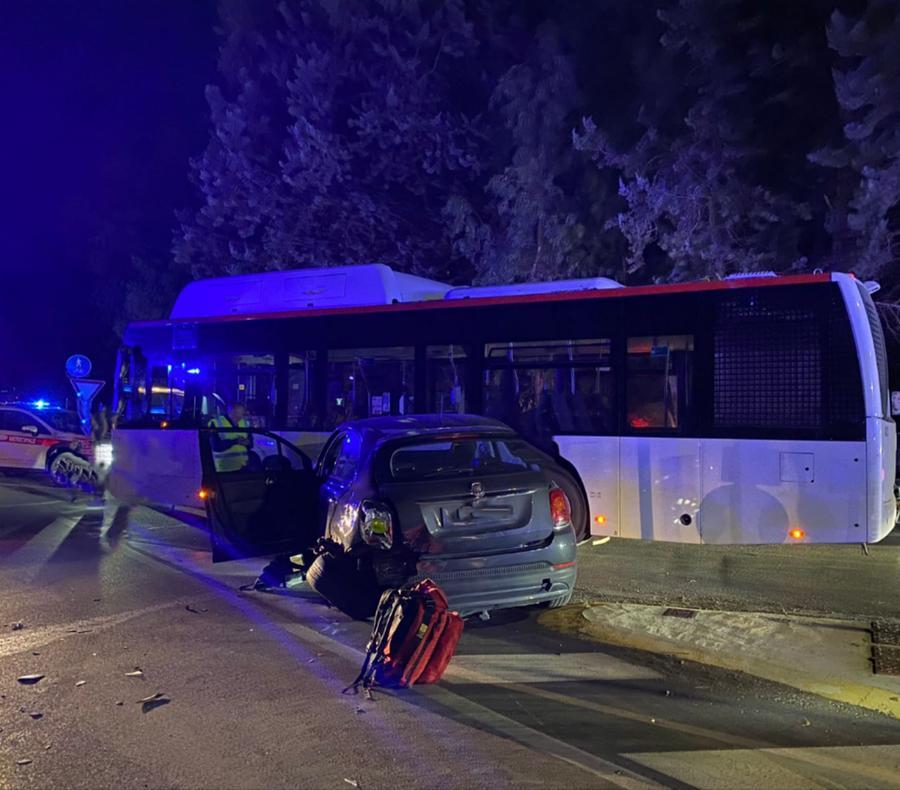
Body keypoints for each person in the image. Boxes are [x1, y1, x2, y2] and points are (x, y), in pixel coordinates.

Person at [208, 401, 253, 472]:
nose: (238, 417)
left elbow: (251, 444)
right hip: (224, 469)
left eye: (241, 414)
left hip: (243, 467)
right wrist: (235, 441)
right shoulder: (216, 423)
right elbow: (216, 446)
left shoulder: (245, 423)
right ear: (229, 411)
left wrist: (248, 443)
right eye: (235, 413)